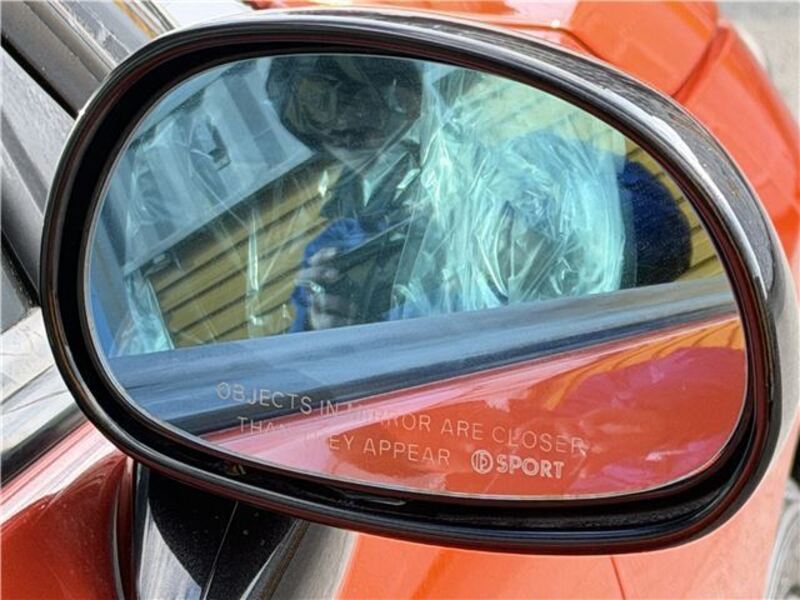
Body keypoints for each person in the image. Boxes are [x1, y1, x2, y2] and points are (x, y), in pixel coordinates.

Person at [265, 55, 690, 333]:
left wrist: (562, 242)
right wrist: (322, 335)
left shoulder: (535, 167)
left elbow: (669, 238)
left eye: (362, 123)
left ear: (408, 97)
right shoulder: (336, 251)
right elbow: (305, 390)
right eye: (334, 140)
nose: (353, 145)